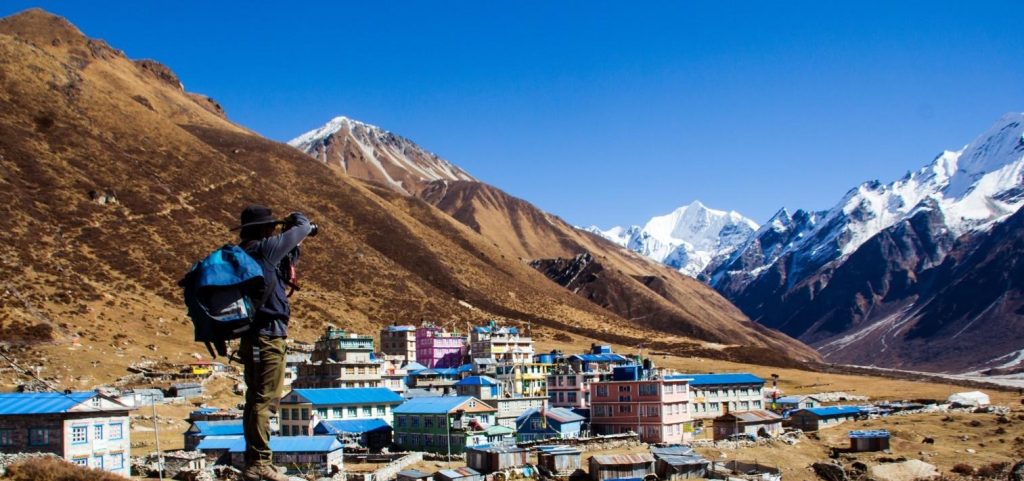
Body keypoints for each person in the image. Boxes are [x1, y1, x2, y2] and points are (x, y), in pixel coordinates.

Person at [233, 204, 312, 481]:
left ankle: (256, 459)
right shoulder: (263, 249)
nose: (275, 232)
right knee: (264, 400)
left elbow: (288, 260)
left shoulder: (248, 253)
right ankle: (258, 463)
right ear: (265, 229)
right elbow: (302, 229)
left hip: (256, 335)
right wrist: (297, 221)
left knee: (256, 398)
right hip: (266, 336)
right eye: (273, 228)